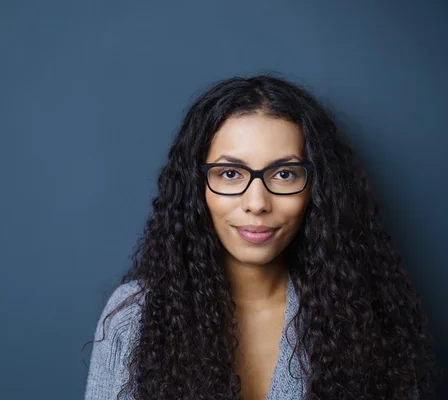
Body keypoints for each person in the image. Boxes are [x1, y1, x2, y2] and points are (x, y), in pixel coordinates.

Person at [84, 75, 438, 400]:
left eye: (284, 174)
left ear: (317, 188)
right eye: (230, 173)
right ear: (196, 187)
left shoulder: (362, 316)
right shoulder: (133, 317)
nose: (256, 203)